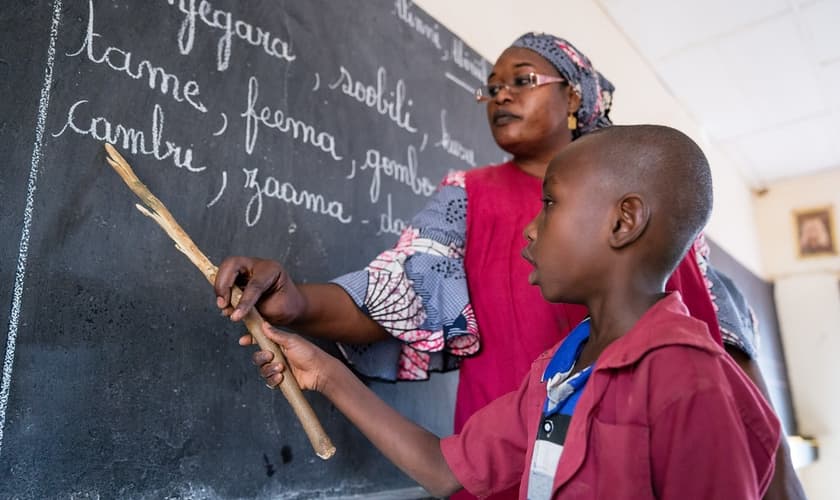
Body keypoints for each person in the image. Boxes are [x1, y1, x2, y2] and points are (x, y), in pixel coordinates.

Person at [214, 33, 804, 499]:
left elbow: (736, 370)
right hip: (503, 471)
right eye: (491, 87)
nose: (499, 95)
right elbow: (403, 294)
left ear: (575, 96)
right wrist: (298, 308)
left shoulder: (684, 362)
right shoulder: (548, 365)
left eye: (521, 81)